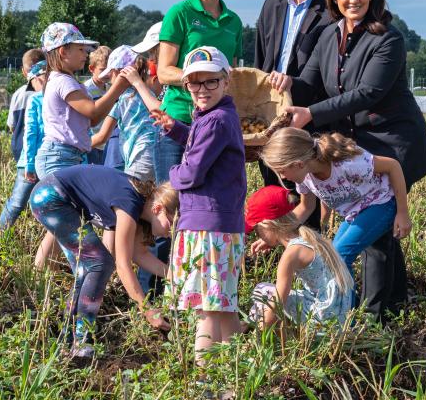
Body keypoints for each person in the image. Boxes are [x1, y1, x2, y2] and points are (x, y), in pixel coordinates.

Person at [269, 0, 426, 319]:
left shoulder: (387, 38)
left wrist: (311, 113)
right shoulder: (329, 34)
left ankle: (372, 315)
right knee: (381, 226)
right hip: (355, 143)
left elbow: (368, 92)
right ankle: (391, 302)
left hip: (393, 142)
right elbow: (309, 81)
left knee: (376, 231)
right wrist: (288, 84)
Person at [152, 46, 246, 366]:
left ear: (225, 81)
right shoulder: (214, 117)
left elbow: (191, 172)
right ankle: (233, 372)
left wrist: (172, 175)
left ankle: (204, 378)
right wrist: (175, 129)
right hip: (221, 224)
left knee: (206, 309)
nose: (201, 90)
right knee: (223, 306)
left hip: (207, 226)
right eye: (194, 83)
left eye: (210, 82)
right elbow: (200, 140)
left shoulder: (216, 120)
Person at [258, 128, 412, 321]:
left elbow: (393, 166)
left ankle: (343, 318)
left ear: (298, 163)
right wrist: (276, 232)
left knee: (339, 256)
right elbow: (306, 207)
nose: (283, 177)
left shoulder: (348, 164)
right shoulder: (305, 176)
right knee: (330, 254)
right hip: (355, 213)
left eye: (282, 171)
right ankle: (351, 309)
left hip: (381, 203)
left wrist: (403, 213)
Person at [29, 164, 176, 361]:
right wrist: (147, 309)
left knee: (87, 269)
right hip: (50, 196)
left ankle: (66, 339)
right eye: (172, 223)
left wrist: (175, 275)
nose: (171, 232)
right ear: (158, 208)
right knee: (100, 262)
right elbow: (123, 265)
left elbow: (139, 255)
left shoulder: (140, 210)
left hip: (54, 197)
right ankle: (81, 341)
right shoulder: (130, 203)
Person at [253, 0, 335, 229]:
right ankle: (277, 254)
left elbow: (327, 72)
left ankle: (307, 258)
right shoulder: (271, 4)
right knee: (273, 188)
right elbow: (261, 60)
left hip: (307, 115)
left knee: (305, 193)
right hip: (271, 114)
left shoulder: (331, 9)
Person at [33, 22, 129, 269]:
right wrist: (118, 87)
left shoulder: (62, 80)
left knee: (63, 222)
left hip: (65, 156)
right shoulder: (64, 82)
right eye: (80, 49)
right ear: (63, 51)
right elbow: (93, 114)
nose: (86, 54)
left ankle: (42, 274)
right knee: (74, 230)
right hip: (60, 157)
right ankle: (86, 275)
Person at [154, 0, 243, 185]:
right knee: (170, 198)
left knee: (210, 196)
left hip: (215, 123)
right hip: (179, 117)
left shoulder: (233, 22)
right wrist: (201, 79)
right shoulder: (179, 13)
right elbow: (163, 71)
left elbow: (231, 76)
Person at [90, 45, 162, 292]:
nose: (109, 80)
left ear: (122, 72)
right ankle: (159, 281)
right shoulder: (151, 91)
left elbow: (100, 138)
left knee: (121, 225)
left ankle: (110, 278)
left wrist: (75, 143)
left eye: (112, 74)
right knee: (142, 236)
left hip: (140, 169)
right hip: (151, 165)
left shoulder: (122, 98)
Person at [245, 185, 353, 328]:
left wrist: (255, 328)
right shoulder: (311, 238)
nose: (258, 235)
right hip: (340, 319)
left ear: (267, 225)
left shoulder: (290, 255)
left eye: (257, 231)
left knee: (262, 292)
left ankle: (277, 335)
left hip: (323, 323)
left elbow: (277, 303)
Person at [0, 59, 47, 236]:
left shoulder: (58, 99)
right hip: (30, 159)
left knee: (46, 203)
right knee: (18, 202)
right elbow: (30, 134)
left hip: (49, 159)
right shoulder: (35, 100)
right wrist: (29, 164)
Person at [7, 48, 46, 162]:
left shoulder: (18, 94)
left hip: (20, 150)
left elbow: (12, 126)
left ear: (23, 71)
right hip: (42, 150)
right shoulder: (50, 91)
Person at [83, 45, 112, 166]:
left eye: (110, 69)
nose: (107, 73)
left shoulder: (110, 88)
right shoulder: (85, 89)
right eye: (102, 69)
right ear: (91, 68)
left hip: (108, 142)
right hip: (92, 143)